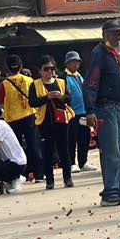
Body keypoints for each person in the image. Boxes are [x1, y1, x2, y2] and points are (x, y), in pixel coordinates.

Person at [83, 18, 120, 207]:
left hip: (117, 107)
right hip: (105, 107)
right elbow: (91, 82)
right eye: (114, 32)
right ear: (105, 34)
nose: (118, 36)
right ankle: (110, 192)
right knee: (111, 150)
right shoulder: (100, 53)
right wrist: (90, 110)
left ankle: (118, 186)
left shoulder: (113, 54)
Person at [28, 55, 74, 190]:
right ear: (40, 71)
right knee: (47, 151)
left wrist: (61, 96)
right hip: (45, 121)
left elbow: (69, 99)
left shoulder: (61, 82)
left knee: (64, 150)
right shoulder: (35, 84)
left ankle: (68, 178)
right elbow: (32, 102)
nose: (49, 72)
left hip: (61, 120)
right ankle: (50, 180)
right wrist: (46, 97)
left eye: (52, 68)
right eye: (46, 69)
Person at [0, 55, 42, 183]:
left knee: (16, 150)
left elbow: (0, 104)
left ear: (7, 68)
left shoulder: (4, 84)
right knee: (34, 146)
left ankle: (22, 175)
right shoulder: (29, 80)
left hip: (13, 121)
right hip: (29, 118)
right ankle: (39, 174)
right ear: (21, 66)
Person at [62, 51, 96, 173]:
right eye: (73, 62)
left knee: (85, 137)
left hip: (84, 111)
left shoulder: (79, 76)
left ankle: (83, 161)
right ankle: (72, 163)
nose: (76, 64)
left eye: (77, 62)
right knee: (71, 138)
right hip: (72, 113)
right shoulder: (64, 77)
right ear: (67, 63)